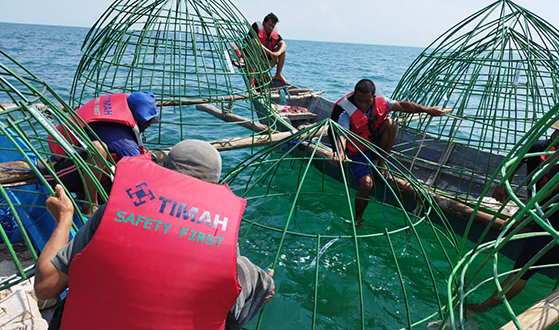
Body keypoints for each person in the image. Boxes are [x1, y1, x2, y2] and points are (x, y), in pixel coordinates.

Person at [34, 140, 275, 329]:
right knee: (250, 274)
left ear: (164, 170)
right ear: (213, 184)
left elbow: (45, 287)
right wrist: (260, 283)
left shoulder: (114, 212)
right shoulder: (222, 237)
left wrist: (64, 218)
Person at [467, 118, 559, 314]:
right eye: (557, 133)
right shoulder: (543, 147)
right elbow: (520, 157)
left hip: (554, 223)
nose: (557, 136)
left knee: (521, 272)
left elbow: (549, 194)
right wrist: (504, 183)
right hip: (541, 211)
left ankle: (482, 308)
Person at [331, 79, 446, 226]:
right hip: (357, 151)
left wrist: (427, 110)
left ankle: (381, 162)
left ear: (373, 97)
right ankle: (358, 218)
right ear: (355, 97)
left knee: (390, 124)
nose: (363, 105)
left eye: (367, 101)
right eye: (359, 100)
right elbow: (342, 135)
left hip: (373, 145)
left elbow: (403, 105)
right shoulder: (346, 114)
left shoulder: (382, 102)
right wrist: (340, 153)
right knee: (367, 185)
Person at [46, 92, 160, 216]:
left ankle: (88, 194)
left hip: (76, 165)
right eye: (147, 121)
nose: (148, 125)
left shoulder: (118, 119)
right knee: (98, 149)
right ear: (139, 117)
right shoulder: (124, 141)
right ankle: (90, 204)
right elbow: (140, 171)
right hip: (57, 172)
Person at [251, 13, 288, 85]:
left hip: (265, 63)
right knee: (257, 51)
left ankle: (278, 74)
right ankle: (252, 82)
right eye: (269, 25)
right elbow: (255, 42)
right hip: (252, 61)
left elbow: (284, 45)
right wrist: (271, 53)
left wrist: (277, 53)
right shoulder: (256, 27)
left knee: (282, 51)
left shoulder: (274, 34)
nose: (271, 28)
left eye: (273, 26)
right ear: (264, 22)